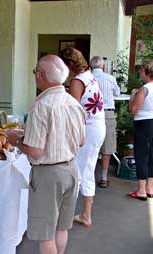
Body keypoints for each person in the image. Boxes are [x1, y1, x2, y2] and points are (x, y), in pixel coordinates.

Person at [7, 55, 85, 254]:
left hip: (49, 175)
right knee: (61, 226)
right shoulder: (73, 102)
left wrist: (15, 140)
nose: (35, 76)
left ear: (41, 75)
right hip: (71, 169)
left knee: (45, 234)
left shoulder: (41, 105)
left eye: (35, 72)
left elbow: (35, 150)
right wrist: (28, 136)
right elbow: (81, 141)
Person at [60, 47, 106, 228]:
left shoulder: (77, 81)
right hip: (98, 127)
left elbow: (74, 111)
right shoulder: (89, 76)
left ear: (69, 64)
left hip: (88, 129)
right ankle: (85, 214)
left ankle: (71, 214)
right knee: (87, 169)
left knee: (78, 171)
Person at [90, 56, 120, 188]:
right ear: (103, 66)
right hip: (107, 113)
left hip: (91, 114)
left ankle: (88, 175)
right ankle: (103, 177)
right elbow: (117, 93)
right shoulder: (110, 78)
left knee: (91, 146)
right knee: (107, 147)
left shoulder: (87, 78)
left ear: (91, 66)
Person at [128, 60, 153, 201]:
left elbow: (134, 110)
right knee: (152, 155)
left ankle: (141, 190)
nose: (139, 72)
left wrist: (132, 97)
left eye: (141, 70)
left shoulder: (144, 89)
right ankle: (150, 187)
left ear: (147, 72)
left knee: (142, 155)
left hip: (143, 124)